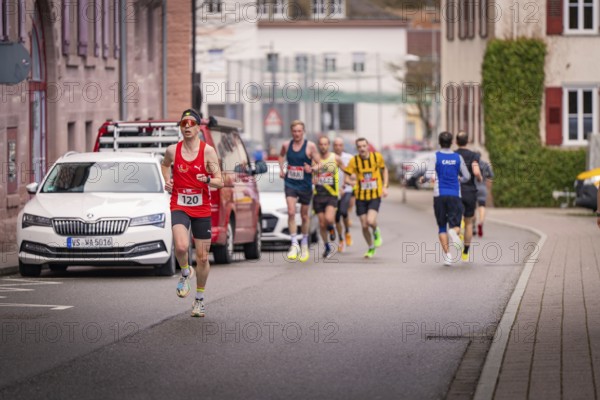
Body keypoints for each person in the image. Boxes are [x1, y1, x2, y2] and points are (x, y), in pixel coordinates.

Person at [162, 109, 224, 318]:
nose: (187, 126)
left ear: (198, 127)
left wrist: (206, 179)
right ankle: (185, 271)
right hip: (179, 203)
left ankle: (199, 299)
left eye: (191, 123)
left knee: (203, 257)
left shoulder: (207, 152)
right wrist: (167, 181)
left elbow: (219, 180)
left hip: (201, 208)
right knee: (181, 245)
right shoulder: (173, 150)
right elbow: (165, 165)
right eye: (183, 124)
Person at [422, 131, 471, 266]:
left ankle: (448, 256)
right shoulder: (458, 157)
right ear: (452, 143)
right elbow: (467, 176)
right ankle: (453, 231)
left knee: (441, 226)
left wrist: (423, 179)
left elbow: (428, 174)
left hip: (439, 194)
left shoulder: (435, 156)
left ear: (439, 142)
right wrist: (460, 178)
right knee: (456, 226)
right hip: (455, 194)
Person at [279, 120, 320, 262]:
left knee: (304, 216)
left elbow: (320, 164)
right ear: (291, 132)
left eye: (299, 131)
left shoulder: (310, 146)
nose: (297, 134)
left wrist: (312, 169)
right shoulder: (286, 145)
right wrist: (281, 169)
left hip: (305, 185)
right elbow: (281, 155)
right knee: (291, 212)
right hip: (290, 183)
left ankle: (304, 244)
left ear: (303, 132)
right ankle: (294, 244)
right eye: (294, 131)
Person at [343, 138, 389, 258]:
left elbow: (384, 170)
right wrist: (351, 183)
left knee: (370, 221)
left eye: (364, 146)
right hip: (360, 196)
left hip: (374, 195)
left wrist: (384, 186)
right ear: (357, 148)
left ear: (367, 146)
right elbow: (346, 177)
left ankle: (376, 231)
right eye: (359, 147)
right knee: (364, 225)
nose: (362, 148)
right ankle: (370, 247)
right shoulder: (354, 161)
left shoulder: (376, 157)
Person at [313, 136, 346, 259]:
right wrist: (313, 179)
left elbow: (346, 170)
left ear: (329, 145)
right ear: (318, 145)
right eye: (321, 144)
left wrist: (349, 180)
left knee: (329, 219)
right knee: (322, 224)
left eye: (325, 144)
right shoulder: (314, 159)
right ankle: (327, 246)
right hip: (318, 195)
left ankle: (332, 228)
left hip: (331, 194)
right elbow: (312, 175)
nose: (323, 146)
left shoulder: (335, 158)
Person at [455, 131, 482, 262]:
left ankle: (458, 232)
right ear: (468, 141)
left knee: (455, 218)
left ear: (456, 141)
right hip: (470, 191)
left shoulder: (453, 155)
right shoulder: (473, 155)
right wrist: (480, 178)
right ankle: (465, 252)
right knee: (469, 222)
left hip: (455, 191)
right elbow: (476, 171)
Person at [333, 137, 355, 251]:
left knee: (343, 211)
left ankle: (347, 231)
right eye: (336, 145)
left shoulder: (349, 158)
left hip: (347, 189)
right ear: (333, 146)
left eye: (340, 145)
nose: (338, 147)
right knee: (336, 218)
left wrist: (352, 181)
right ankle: (341, 239)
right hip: (333, 191)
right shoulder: (330, 157)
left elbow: (354, 173)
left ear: (343, 146)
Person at [474, 155, 494, 237]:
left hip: (473, 189)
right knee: (482, 206)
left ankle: (473, 226)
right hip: (482, 188)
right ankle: (480, 223)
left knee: (472, 208)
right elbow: (491, 175)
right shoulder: (485, 164)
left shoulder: (471, 164)